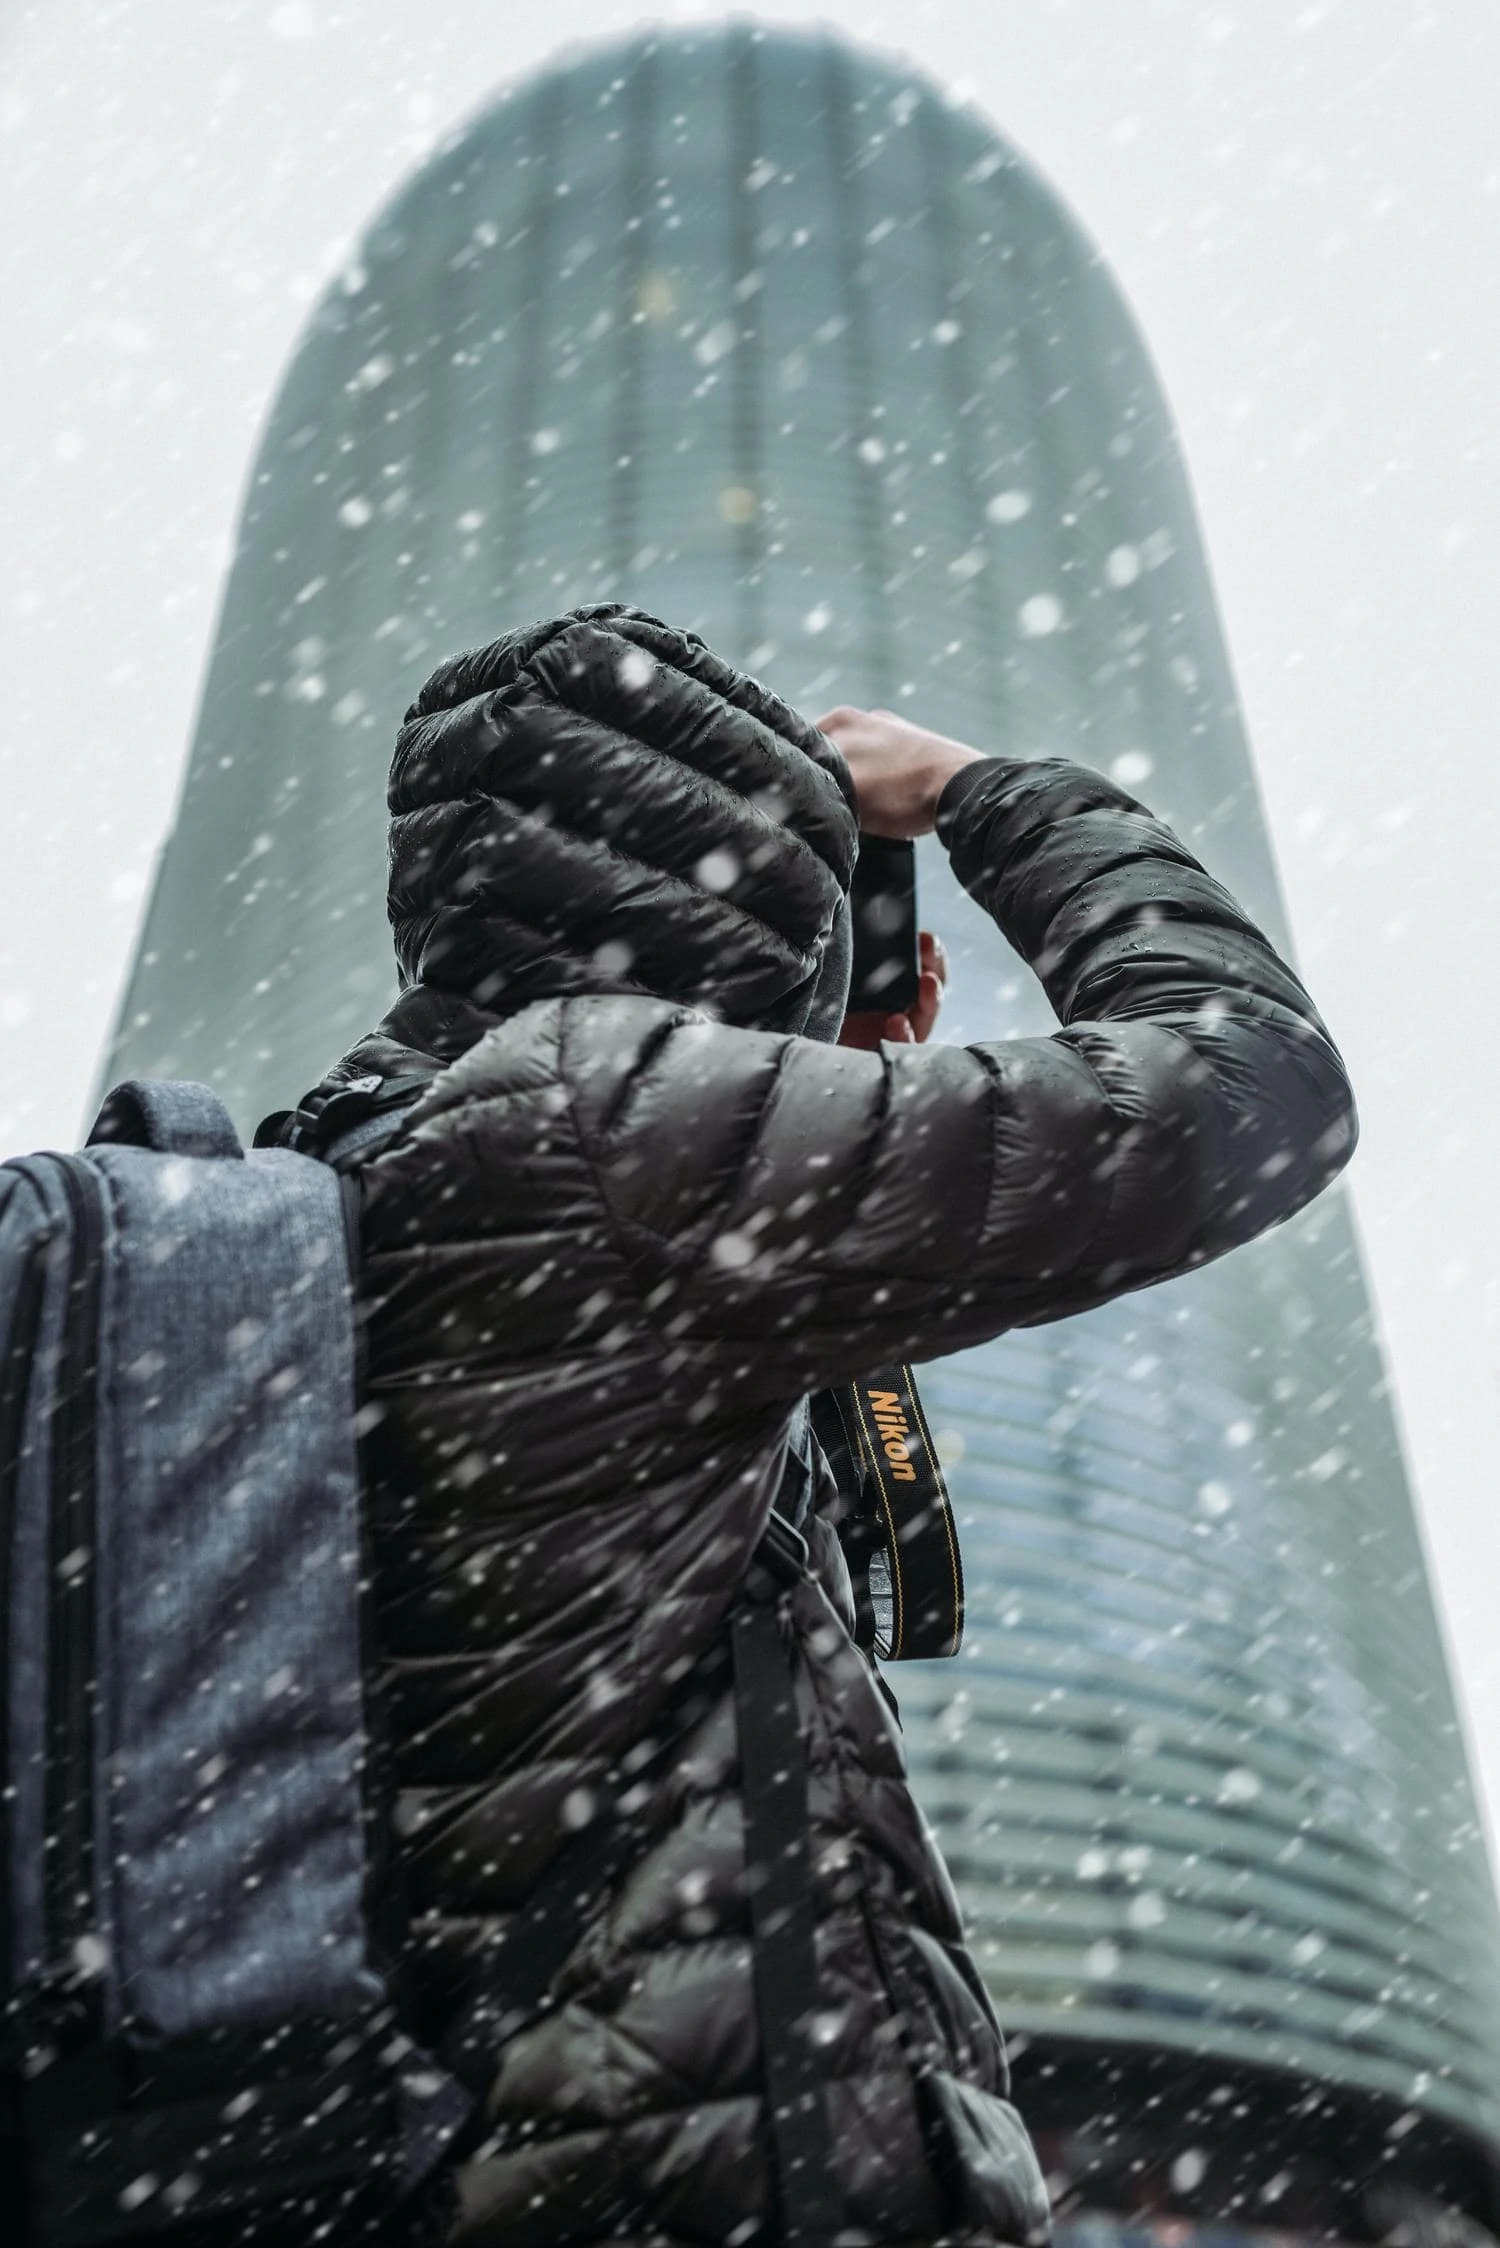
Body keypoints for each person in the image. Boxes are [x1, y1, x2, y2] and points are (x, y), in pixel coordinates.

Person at [274, 603, 1355, 2247]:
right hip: (703, 2170)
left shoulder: (329, 1165)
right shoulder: (620, 1128)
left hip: (452, 2145)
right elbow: (1253, 1085)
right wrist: (986, 791)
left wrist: (805, 1068)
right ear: (763, 879)